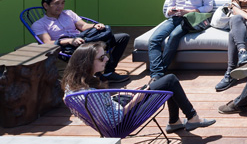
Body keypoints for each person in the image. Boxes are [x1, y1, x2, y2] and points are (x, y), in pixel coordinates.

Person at [63, 42, 215, 133]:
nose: (107, 59)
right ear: (86, 63)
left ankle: (176, 121)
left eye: (105, 55)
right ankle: (191, 118)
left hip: (115, 109)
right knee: (169, 80)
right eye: (102, 57)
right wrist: (135, 99)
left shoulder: (73, 86)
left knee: (157, 81)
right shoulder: (90, 94)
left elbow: (103, 108)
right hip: (122, 122)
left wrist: (122, 95)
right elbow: (113, 119)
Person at [33, 0, 130, 84]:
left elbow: (83, 26)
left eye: (62, 3)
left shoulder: (68, 13)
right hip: (69, 48)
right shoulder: (39, 24)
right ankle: (94, 74)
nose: (61, 6)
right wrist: (70, 41)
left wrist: (94, 26)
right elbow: (47, 43)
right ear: (46, 5)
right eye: (57, 3)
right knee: (94, 49)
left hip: (83, 39)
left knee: (123, 37)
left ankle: (108, 72)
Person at [148, 0, 214, 79]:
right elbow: (169, 7)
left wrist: (188, 11)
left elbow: (208, 6)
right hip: (175, 18)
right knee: (153, 39)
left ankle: (158, 73)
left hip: (191, 19)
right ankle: (157, 73)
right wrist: (170, 11)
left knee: (174, 36)